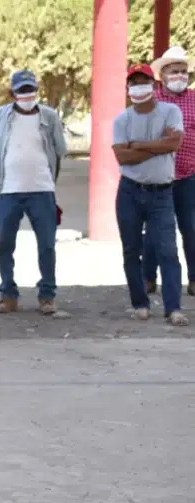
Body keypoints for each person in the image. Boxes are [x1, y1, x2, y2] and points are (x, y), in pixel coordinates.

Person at [0, 70, 68, 316]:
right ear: (13, 93)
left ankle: (47, 295)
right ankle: (8, 295)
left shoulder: (50, 117)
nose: (27, 95)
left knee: (47, 245)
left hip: (42, 190)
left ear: (37, 91)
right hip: (8, 191)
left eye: (30, 90)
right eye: (21, 90)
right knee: (4, 244)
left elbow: (59, 152)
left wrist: (50, 182)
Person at [112, 63, 187, 325]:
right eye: (134, 83)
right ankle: (140, 303)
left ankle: (173, 308)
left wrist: (140, 146)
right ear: (128, 88)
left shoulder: (170, 111)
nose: (138, 87)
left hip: (162, 193)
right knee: (131, 249)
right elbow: (122, 156)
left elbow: (174, 142)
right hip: (130, 191)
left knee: (168, 250)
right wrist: (159, 147)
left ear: (155, 86)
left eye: (144, 81)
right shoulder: (122, 119)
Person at [144, 46, 195, 296]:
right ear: (162, 76)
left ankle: (194, 279)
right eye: (175, 72)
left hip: (189, 176)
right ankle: (148, 278)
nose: (180, 77)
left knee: (191, 228)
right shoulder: (153, 102)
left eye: (184, 72)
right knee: (155, 230)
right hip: (158, 177)